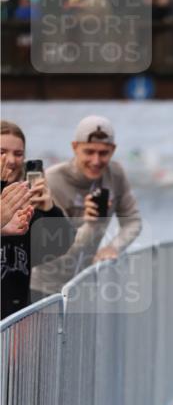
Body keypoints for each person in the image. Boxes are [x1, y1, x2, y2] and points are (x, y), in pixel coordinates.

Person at [31, 115, 142, 299]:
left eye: (103, 153)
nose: (96, 160)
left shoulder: (116, 174)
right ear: (75, 147)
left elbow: (133, 221)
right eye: (89, 152)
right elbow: (60, 250)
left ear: (113, 150)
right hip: (44, 287)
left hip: (84, 284)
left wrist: (113, 247)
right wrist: (90, 224)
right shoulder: (51, 180)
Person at [1, 120, 74, 320]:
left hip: (13, 323)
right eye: (2, 152)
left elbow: (59, 246)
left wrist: (49, 210)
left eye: (18, 154)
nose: (11, 160)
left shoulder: (25, 202)